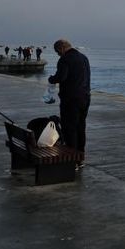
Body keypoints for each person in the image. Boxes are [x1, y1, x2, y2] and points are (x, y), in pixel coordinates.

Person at [47, 39, 91, 170]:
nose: (58, 55)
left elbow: (62, 77)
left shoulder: (65, 59)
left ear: (61, 49)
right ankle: (80, 158)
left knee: (69, 128)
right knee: (80, 127)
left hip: (70, 99)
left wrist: (51, 79)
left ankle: (72, 160)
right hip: (85, 97)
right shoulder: (84, 58)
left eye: (57, 52)